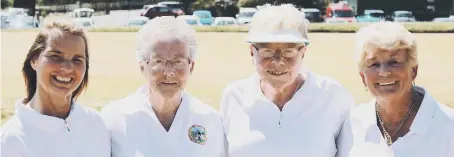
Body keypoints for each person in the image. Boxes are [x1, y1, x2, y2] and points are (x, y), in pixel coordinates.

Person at [220, 4, 355, 157]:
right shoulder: (233, 96)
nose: (278, 61)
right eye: (267, 51)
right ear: (252, 52)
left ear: (303, 52)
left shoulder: (333, 96)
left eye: (288, 52)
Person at [100, 16, 224, 157]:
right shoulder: (115, 118)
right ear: (142, 67)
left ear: (191, 66)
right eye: (158, 62)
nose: (169, 72)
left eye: (178, 62)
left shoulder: (210, 119)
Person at [336, 22, 454, 157]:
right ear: (363, 77)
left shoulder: (448, 125)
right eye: (374, 64)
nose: (384, 72)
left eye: (394, 62)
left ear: (413, 70)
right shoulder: (351, 125)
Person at [0, 18, 110, 157]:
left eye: (77, 59)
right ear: (34, 60)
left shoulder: (95, 123)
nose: (67, 67)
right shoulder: (11, 140)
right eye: (55, 56)